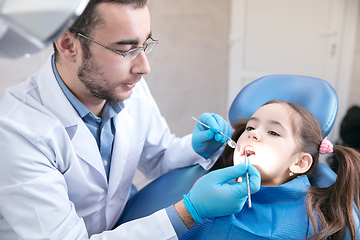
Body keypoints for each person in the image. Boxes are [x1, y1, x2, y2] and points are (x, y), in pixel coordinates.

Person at [0, 0, 261, 239]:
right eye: (126, 49)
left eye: (145, 44)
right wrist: (189, 213)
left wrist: (193, 148)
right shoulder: (16, 131)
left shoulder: (124, 86)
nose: (143, 67)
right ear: (69, 45)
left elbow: (157, 156)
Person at [181, 100, 360, 240]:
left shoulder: (312, 220)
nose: (252, 134)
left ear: (299, 163)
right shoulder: (207, 191)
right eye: (250, 127)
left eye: (273, 132)